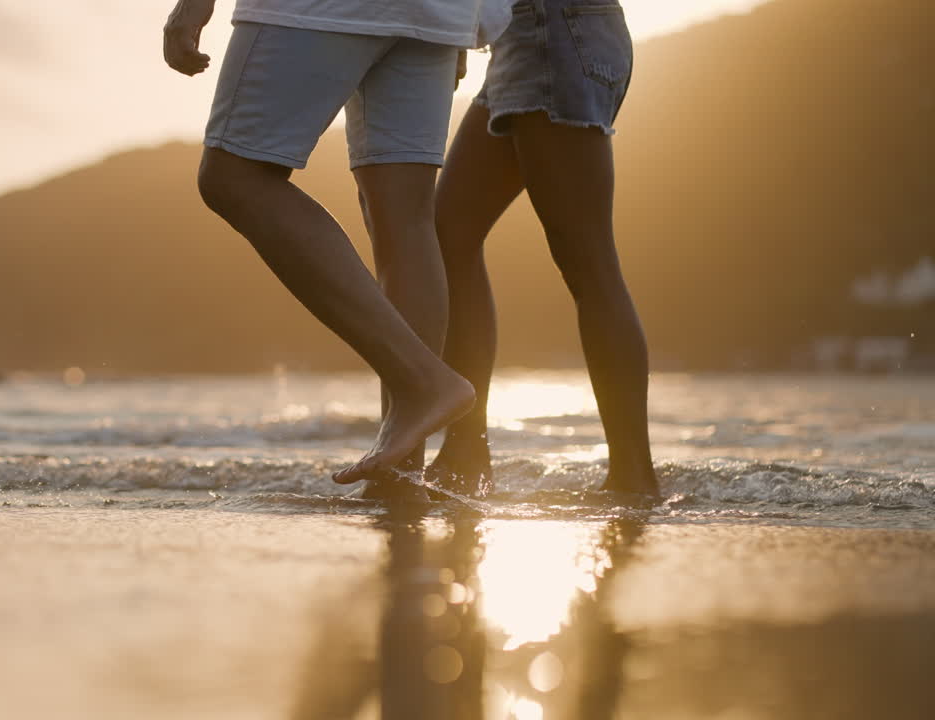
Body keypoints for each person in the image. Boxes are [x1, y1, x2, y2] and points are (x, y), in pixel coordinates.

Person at [163, 0, 511, 493]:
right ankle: (399, 476)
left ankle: (422, 381)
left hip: (324, 9)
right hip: (438, 13)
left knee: (231, 177)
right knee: (405, 219)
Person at [423, 0, 660, 498]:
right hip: (526, 37)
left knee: (589, 262)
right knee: (449, 235)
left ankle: (634, 477)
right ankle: (465, 452)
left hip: (553, 33)